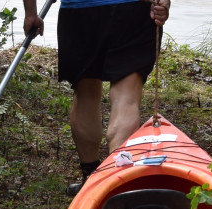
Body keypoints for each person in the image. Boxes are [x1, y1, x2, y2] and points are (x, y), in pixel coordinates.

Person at [23, 0, 171, 195]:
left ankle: (90, 178)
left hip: (81, 11)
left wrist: (31, 13)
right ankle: (118, 181)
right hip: (133, 9)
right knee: (125, 96)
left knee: (86, 94)